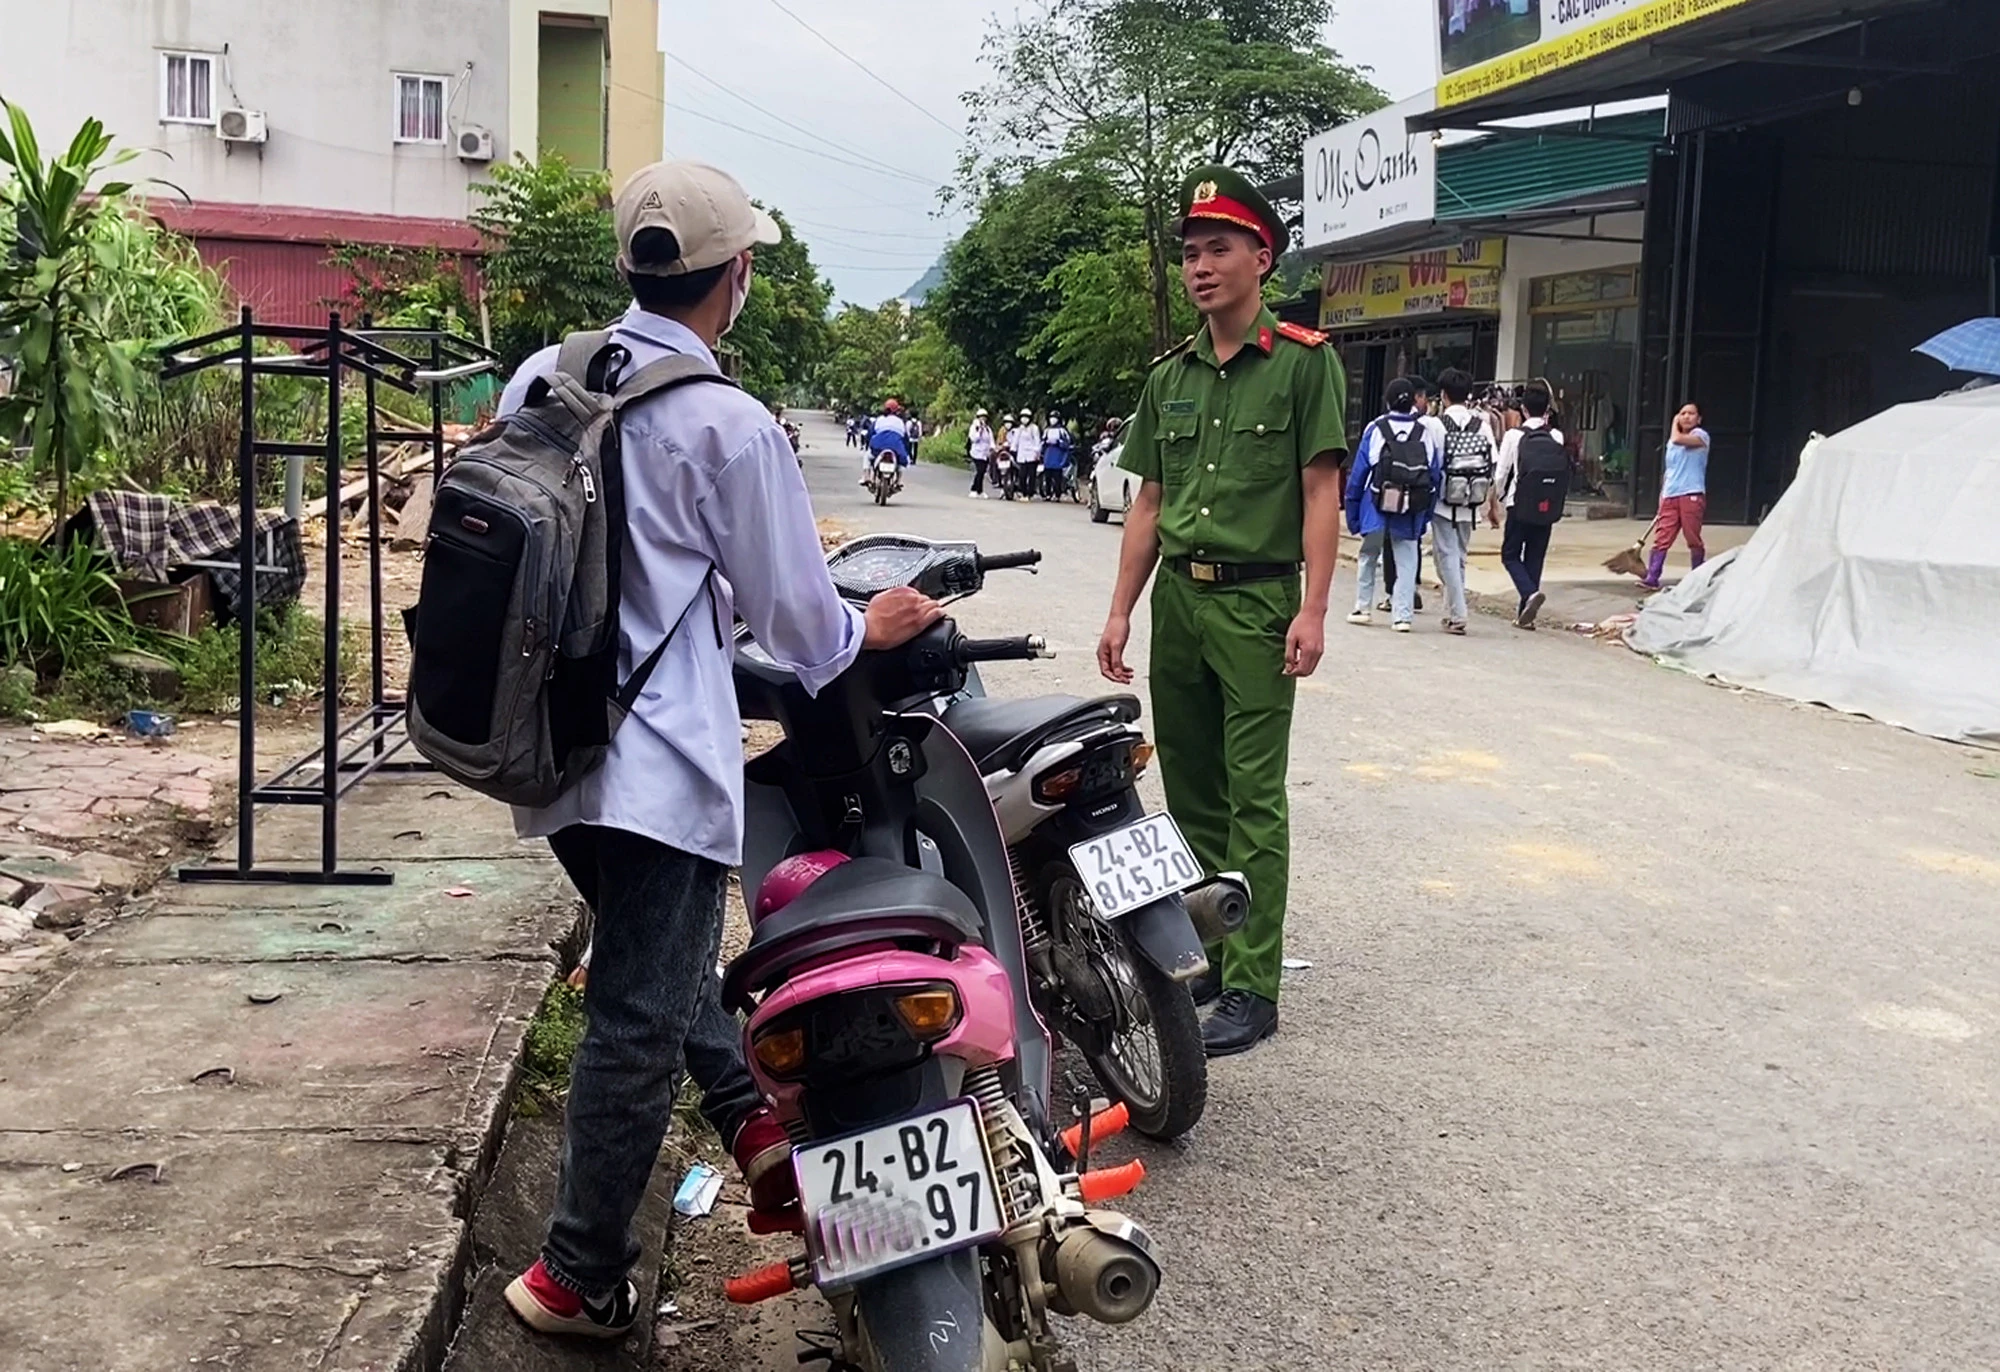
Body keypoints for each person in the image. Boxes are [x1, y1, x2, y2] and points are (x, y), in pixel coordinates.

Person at [493, 159, 944, 1341]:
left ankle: (749, 1117)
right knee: (639, 1013)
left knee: (656, 966)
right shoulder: (729, 425)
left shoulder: (542, 373)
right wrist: (874, 622)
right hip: (655, 766)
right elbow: (801, 627)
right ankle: (576, 1275)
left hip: (539, 754)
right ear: (734, 276)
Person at [1095, 165, 1346, 1057]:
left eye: (1219, 249)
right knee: (1190, 795)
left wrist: (1313, 608)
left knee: (1254, 801)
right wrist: (1122, 610)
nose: (1200, 267)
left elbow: (1322, 493)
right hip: (1181, 606)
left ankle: (1254, 986)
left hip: (1258, 603)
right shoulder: (1171, 378)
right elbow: (1149, 503)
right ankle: (1203, 959)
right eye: (1192, 253)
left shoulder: (1305, 365)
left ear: (1261, 257)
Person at [1344, 377, 1441, 633]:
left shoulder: (1375, 429)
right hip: (1410, 507)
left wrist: (1353, 513)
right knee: (1407, 559)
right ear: (1413, 401)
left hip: (1376, 502)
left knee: (1368, 554)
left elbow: (1359, 474)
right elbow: (1433, 476)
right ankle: (1402, 616)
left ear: (1387, 401)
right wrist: (1425, 515)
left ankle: (1362, 607)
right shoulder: (1424, 432)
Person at [1487, 383, 1567, 629]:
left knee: (1510, 555)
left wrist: (1495, 500)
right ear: (1546, 411)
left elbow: (1501, 474)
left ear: (1522, 409)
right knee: (1535, 556)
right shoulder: (1557, 436)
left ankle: (1529, 594)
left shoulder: (1514, 436)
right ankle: (1525, 615)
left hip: (1518, 504)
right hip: (1547, 505)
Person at [1431, 367, 1498, 634]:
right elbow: (1492, 463)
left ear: (1443, 395)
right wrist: (1490, 501)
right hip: (1472, 499)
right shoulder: (1481, 424)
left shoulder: (1436, 425)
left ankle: (1458, 613)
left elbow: (1430, 461)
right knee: (1458, 556)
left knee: (1445, 556)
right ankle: (1450, 612)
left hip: (1443, 499)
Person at [1380, 375, 1435, 613]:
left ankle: (1394, 595)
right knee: (1412, 543)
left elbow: (1369, 465)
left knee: (1389, 543)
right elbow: (1434, 469)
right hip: (1416, 495)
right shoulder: (1425, 428)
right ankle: (1410, 591)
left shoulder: (1378, 426)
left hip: (1388, 495)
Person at [1644, 402, 1709, 588]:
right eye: (1682, 413)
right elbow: (1669, 470)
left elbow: (1678, 439)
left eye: (1691, 414)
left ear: (1699, 419)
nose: (1686, 417)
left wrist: (1674, 423)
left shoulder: (1701, 436)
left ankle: (1697, 574)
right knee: (1662, 536)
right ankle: (1652, 576)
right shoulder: (1672, 443)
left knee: (1692, 537)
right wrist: (1662, 496)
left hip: (1691, 493)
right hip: (1670, 494)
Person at [863, 397, 909, 485]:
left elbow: (870, 434)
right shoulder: (900, 422)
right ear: (896, 410)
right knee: (900, 460)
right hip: (896, 447)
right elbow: (905, 439)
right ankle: (899, 481)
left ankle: (866, 477)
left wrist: (868, 444)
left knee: (867, 456)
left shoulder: (879, 420)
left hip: (879, 446)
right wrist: (906, 452)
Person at [1009, 409, 1041, 499]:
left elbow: (1037, 441)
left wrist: (1037, 452)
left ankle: (1030, 493)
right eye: (1023, 417)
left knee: (1031, 476)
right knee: (1022, 475)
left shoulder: (1034, 428)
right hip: (1022, 455)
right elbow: (1015, 440)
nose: (1024, 419)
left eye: (1026, 417)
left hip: (1032, 455)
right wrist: (1013, 449)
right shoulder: (1020, 429)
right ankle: (1023, 493)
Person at [1040, 412, 1073, 499]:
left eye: (1054, 418)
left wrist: (1058, 442)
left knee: (1057, 476)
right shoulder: (1047, 430)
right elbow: (1042, 442)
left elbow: (1068, 443)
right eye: (1051, 417)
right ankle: (1048, 494)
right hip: (1048, 456)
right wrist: (1045, 444)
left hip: (1058, 456)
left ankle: (1058, 494)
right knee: (1047, 477)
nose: (1052, 420)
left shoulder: (1062, 431)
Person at [968, 407, 995, 497]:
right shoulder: (974, 427)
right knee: (980, 471)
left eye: (984, 417)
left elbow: (991, 440)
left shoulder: (987, 429)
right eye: (981, 417)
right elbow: (974, 439)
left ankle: (980, 490)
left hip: (985, 454)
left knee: (983, 472)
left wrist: (992, 448)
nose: (983, 419)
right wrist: (979, 431)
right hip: (976, 453)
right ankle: (974, 489)